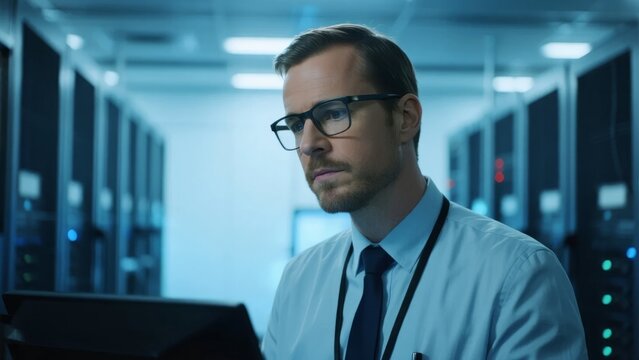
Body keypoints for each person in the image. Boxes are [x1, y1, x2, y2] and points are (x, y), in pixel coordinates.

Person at [263, 24, 587, 360]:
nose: (309, 144)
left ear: (406, 118)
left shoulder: (516, 276)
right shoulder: (299, 280)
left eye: (333, 113)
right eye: (297, 125)